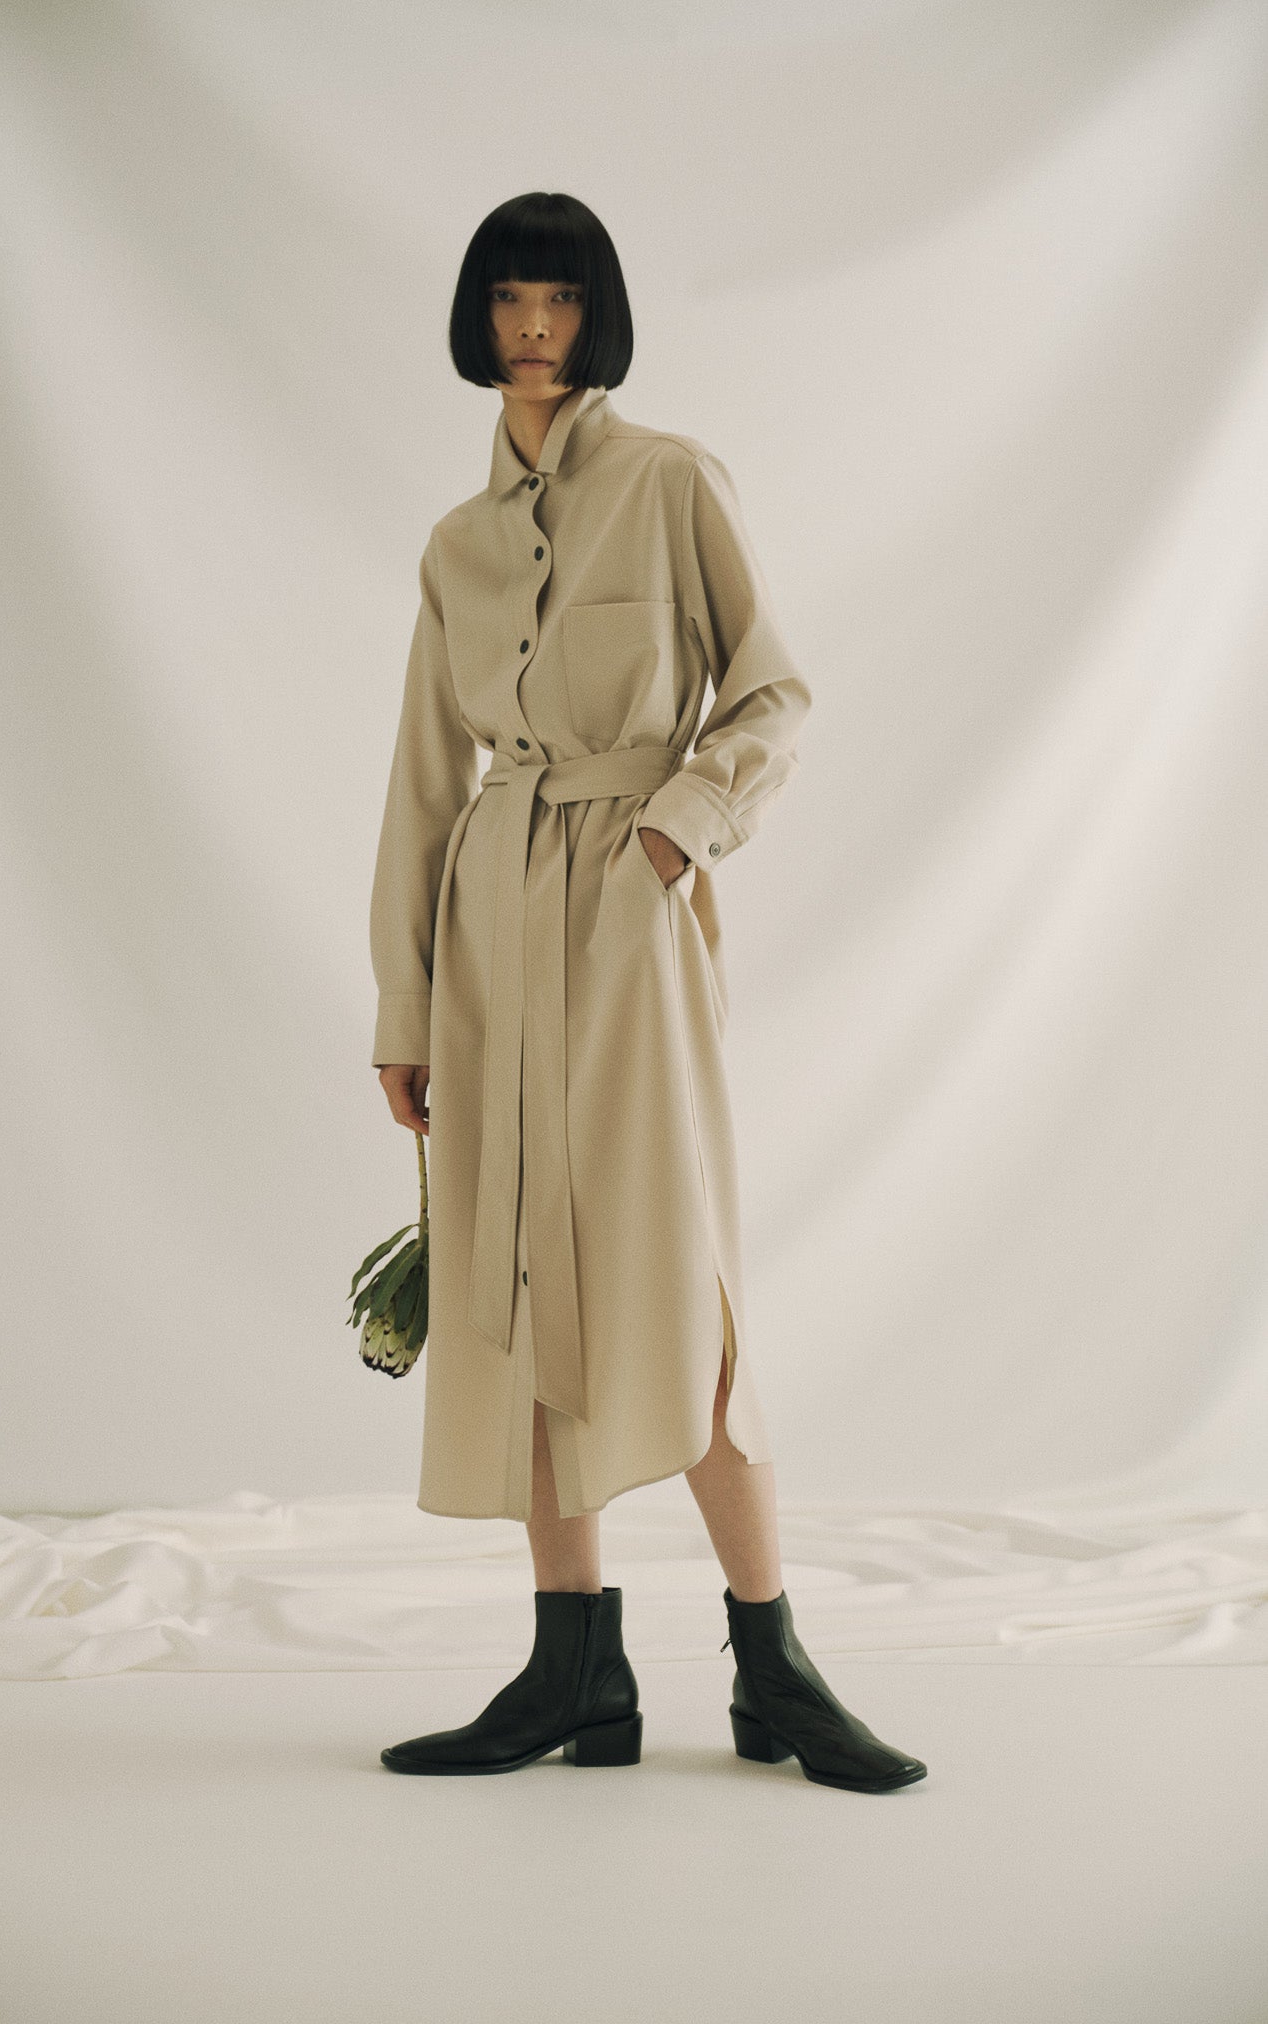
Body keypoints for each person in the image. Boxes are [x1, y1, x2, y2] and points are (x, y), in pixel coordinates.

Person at [369, 191, 926, 1791]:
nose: (533, 331)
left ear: (595, 314)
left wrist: (675, 836)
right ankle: (574, 1672)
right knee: (514, 1286)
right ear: (476, 319)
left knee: (679, 1285)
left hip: (630, 922)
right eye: (507, 301)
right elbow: (422, 783)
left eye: (557, 299)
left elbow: (771, 689)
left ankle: (772, 1663)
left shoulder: (673, 482)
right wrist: (404, 1006)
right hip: (489, 934)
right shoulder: (456, 547)